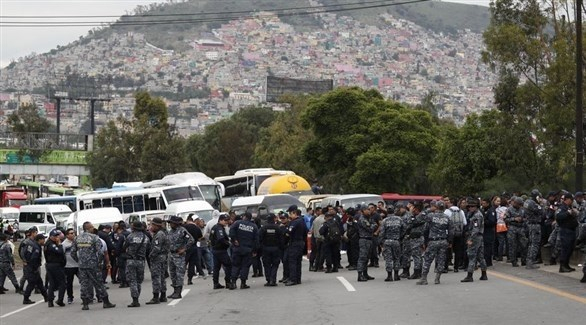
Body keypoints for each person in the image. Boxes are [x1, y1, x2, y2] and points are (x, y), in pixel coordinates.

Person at [71, 221, 116, 310]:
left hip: (82, 266)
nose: (93, 229)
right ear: (88, 228)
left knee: (84, 284)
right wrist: (99, 263)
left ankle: (85, 304)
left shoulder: (77, 238)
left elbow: (72, 252)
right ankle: (106, 302)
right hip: (93, 265)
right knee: (99, 283)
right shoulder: (94, 238)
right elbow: (100, 252)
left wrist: (79, 261)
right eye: (92, 227)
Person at [417, 201, 452, 285]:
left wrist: (428, 210)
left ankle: (424, 278)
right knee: (441, 259)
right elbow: (451, 231)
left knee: (428, 259)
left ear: (436, 207)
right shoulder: (447, 217)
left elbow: (420, 218)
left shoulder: (431, 216)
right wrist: (450, 241)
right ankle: (437, 278)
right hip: (443, 241)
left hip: (433, 240)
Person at [123, 221, 150, 308]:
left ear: (134, 227)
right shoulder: (145, 237)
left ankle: (135, 300)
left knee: (132, 281)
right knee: (138, 281)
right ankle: (137, 297)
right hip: (141, 261)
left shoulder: (130, 236)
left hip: (131, 260)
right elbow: (149, 248)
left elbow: (124, 247)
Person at [166, 215, 194, 299]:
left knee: (179, 274)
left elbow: (191, 240)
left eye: (171, 223)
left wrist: (184, 249)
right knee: (173, 274)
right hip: (171, 255)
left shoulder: (182, 231)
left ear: (176, 223)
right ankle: (175, 290)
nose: (170, 224)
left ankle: (178, 292)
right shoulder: (170, 231)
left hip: (179, 255)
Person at [229, 212, 259, 289]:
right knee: (245, 266)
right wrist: (255, 251)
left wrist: (234, 239)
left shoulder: (237, 223)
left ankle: (233, 283)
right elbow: (256, 240)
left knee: (235, 265)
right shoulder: (254, 227)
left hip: (237, 248)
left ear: (244, 217)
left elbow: (231, 231)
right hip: (248, 250)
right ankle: (243, 283)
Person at [461, 199, 488, 282]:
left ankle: (470, 275)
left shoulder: (477, 216)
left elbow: (475, 229)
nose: (470, 208)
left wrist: (470, 239)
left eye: (473, 206)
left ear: (476, 207)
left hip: (475, 237)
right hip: (478, 237)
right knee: (480, 256)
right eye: (469, 206)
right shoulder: (473, 214)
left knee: (472, 256)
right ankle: (484, 274)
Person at [378, 205, 405, 282]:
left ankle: (389, 276)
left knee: (388, 259)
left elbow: (382, 233)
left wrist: (381, 242)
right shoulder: (399, 219)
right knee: (397, 258)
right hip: (396, 241)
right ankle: (396, 275)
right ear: (394, 211)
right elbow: (404, 229)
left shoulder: (385, 221)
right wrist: (400, 237)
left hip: (387, 241)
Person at [146, 217, 169, 305]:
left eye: (152, 225)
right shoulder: (163, 233)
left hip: (157, 259)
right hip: (162, 258)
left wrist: (150, 255)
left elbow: (156, 248)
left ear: (156, 226)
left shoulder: (159, 234)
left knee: (156, 277)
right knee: (162, 278)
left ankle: (156, 297)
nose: (151, 227)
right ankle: (163, 296)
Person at [555, 193, 579, 273]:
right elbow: (558, 216)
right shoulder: (562, 207)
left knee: (570, 248)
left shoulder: (569, 207)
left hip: (571, 230)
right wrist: (567, 213)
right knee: (565, 248)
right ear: (567, 199)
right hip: (566, 230)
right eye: (571, 200)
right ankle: (562, 266)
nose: (572, 201)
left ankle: (566, 264)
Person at [284, 205, 307, 286]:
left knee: (292, 261)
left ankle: (293, 279)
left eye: (290, 213)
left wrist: (286, 230)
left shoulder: (295, 222)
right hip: (300, 243)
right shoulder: (302, 221)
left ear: (294, 213)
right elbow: (306, 232)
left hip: (294, 243)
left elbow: (288, 232)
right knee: (298, 262)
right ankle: (298, 279)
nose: (289, 215)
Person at [259, 213, 284, 286]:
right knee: (275, 265)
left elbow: (259, 238)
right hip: (276, 248)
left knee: (266, 265)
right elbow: (281, 239)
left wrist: (260, 248)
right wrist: (281, 248)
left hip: (265, 248)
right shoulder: (278, 228)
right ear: (274, 219)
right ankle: (273, 280)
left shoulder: (263, 228)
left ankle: (268, 279)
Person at [22, 233, 48, 304]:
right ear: (39, 240)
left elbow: (25, 253)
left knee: (39, 282)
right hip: (32, 268)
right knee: (31, 283)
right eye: (43, 239)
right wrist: (34, 268)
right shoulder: (36, 247)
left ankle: (46, 296)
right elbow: (34, 258)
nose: (44, 241)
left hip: (30, 266)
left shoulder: (32, 244)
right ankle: (26, 298)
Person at [44, 229, 66, 307]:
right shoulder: (51, 244)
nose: (57, 237)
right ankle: (60, 300)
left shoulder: (51, 243)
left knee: (52, 283)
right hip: (55, 265)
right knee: (61, 283)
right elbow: (59, 252)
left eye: (58, 236)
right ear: (51, 237)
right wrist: (59, 244)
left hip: (52, 265)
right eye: (55, 236)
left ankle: (50, 301)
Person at [210, 214, 232, 289]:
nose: (226, 222)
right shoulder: (219, 228)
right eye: (225, 220)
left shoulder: (215, 227)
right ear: (220, 220)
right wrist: (228, 244)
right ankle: (228, 282)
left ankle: (215, 283)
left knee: (216, 267)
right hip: (221, 250)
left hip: (215, 250)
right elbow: (221, 239)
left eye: (227, 220)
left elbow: (211, 238)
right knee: (229, 265)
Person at [505, 196, 527, 267]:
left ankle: (524, 260)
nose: (519, 205)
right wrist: (514, 219)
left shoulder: (523, 210)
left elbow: (527, 218)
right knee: (512, 245)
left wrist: (522, 219)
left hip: (521, 228)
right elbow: (505, 219)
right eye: (518, 204)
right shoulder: (509, 209)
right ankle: (513, 261)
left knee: (523, 244)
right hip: (512, 228)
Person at [524, 191, 544, 269]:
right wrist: (541, 204)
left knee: (531, 244)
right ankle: (530, 262)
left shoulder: (527, 202)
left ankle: (529, 260)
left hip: (529, 224)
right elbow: (542, 212)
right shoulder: (533, 204)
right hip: (535, 225)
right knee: (534, 244)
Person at [357, 205, 377, 281]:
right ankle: (360, 274)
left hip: (369, 239)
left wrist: (373, 225)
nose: (369, 211)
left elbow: (375, 224)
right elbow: (370, 229)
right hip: (364, 240)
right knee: (362, 257)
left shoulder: (369, 218)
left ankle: (365, 274)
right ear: (363, 211)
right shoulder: (362, 219)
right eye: (367, 210)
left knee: (367, 258)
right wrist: (373, 225)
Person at [183, 214, 204, 284]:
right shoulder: (196, 228)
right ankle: (189, 279)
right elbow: (200, 237)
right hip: (194, 247)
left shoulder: (184, 227)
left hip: (185, 248)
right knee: (192, 264)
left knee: (183, 263)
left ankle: (180, 279)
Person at [62, 228, 79, 304]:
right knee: (69, 283)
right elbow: (62, 255)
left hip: (78, 265)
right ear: (67, 235)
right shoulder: (64, 244)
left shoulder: (77, 242)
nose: (73, 234)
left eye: (74, 233)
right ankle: (70, 297)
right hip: (69, 266)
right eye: (71, 233)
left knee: (84, 280)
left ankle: (87, 295)